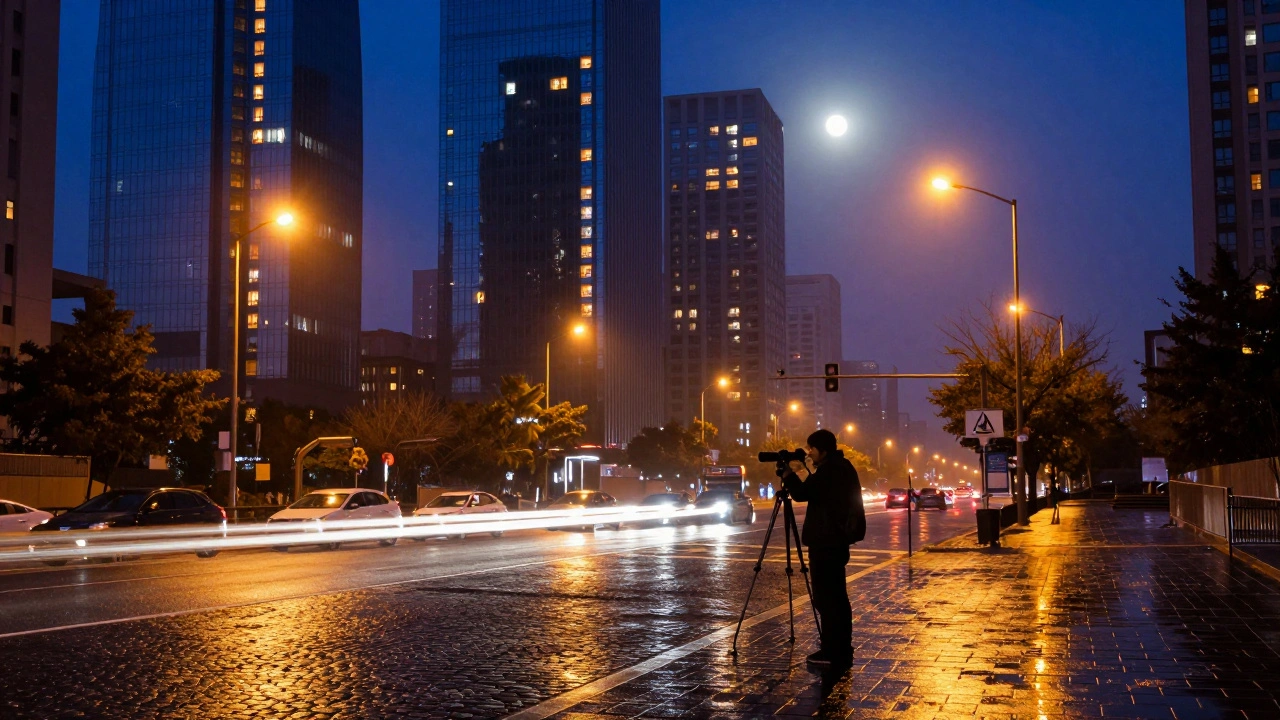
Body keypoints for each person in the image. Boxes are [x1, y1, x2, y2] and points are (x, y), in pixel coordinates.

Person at [782, 428, 866, 671]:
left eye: (812, 450)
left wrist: (788, 473)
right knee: (837, 597)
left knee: (827, 598)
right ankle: (841, 647)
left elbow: (801, 493)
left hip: (826, 543)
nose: (809, 454)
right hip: (836, 541)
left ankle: (832, 650)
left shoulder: (830, 471)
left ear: (823, 450)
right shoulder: (843, 467)